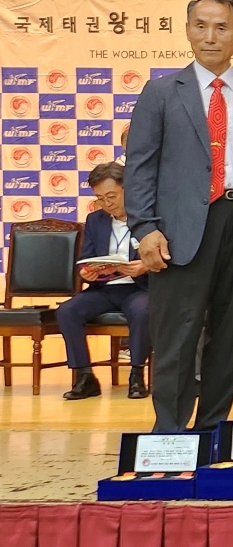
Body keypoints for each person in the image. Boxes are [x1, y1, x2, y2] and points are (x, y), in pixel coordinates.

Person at [124, 0, 233, 432]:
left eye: (221, 27)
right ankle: (169, 433)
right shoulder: (160, 93)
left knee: (232, 335)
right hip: (178, 230)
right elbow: (140, 167)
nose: (210, 36)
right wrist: (145, 228)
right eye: (201, 26)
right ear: (188, 31)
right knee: (177, 333)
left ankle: (212, 429)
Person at [57, 162, 150, 401]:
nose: (107, 204)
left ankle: (137, 374)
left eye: (111, 196)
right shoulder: (95, 220)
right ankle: (85, 376)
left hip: (139, 287)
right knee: (67, 311)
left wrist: (144, 266)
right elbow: (86, 258)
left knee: (142, 310)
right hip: (104, 288)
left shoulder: (148, 217)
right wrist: (87, 272)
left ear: (127, 188)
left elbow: (166, 255)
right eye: (100, 199)